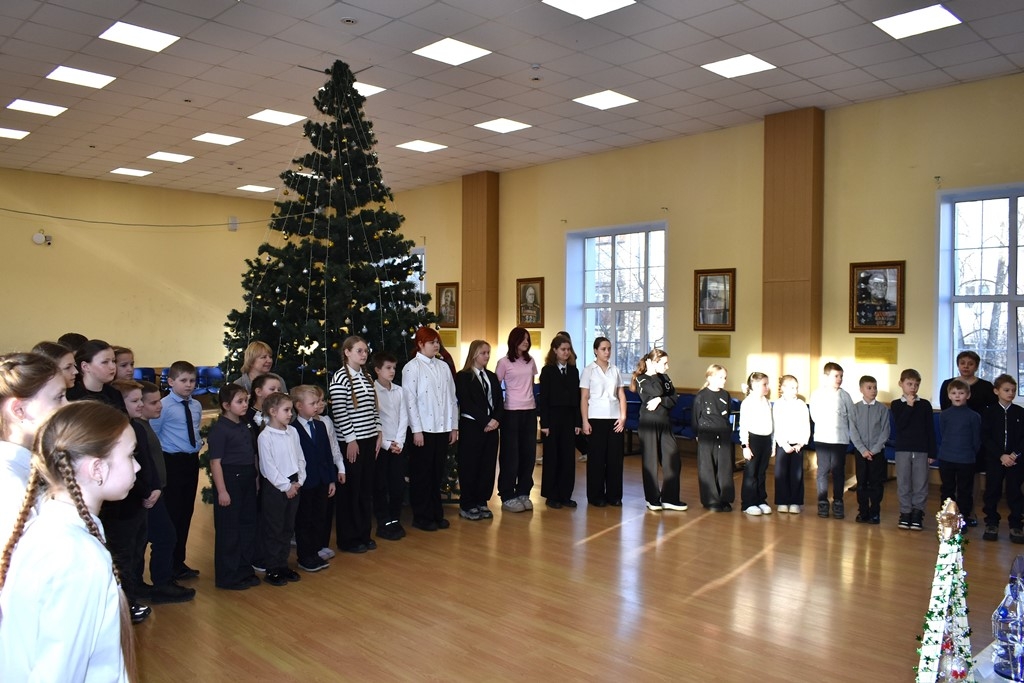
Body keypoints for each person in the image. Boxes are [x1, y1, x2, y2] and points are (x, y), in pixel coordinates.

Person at [0, 401, 138, 682]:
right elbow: (59, 672)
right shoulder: (77, 557)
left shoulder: (49, 526)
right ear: (97, 468)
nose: (137, 466)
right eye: (130, 455)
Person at [105, 379, 159, 624]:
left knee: (138, 551)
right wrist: (145, 491)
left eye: (140, 400)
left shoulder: (138, 427)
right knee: (123, 556)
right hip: (126, 503)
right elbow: (129, 471)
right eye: (134, 401)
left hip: (141, 501)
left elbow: (148, 463)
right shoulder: (119, 432)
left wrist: (154, 487)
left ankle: (135, 592)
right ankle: (126, 603)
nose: (140, 405)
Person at [136, 381, 194, 605]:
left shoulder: (145, 425)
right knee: (164, 537)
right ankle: (161, 584)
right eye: (153, 403)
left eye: (159, 400)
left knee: (157, 537)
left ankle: (153, 582)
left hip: (155, 491)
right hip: (149, 494)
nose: (159, 406)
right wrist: (150, 489)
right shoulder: (139, 428)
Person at [0, 353, 66, 542]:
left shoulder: (31, 462)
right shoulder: (9, 481)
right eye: (59, 397)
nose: (67, 405)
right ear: (19, 410)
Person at [149, 360, 203, 579]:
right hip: (171, 462)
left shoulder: (196, 406)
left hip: (191, 462)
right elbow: (154, 436)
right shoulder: (163, 406)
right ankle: (167, 565)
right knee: (173, 513)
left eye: (192, 380)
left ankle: (179, 562)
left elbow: (195, 430)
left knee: (186, 512)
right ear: (171, 382)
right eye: (183, 380)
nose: (189, 385)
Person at [329, 336, 382, 552]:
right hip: (352, 442)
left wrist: (378, 432)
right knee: (351, 491)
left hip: (369, 439)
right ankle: (348, 539)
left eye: (366, 351)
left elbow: (374, 408)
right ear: (347, 352)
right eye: (359, 350)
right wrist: (351, 439)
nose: (364, 354)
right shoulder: (340, 378)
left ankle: (363, 534)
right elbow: (340, 412)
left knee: (365, 490)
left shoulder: (367, 376)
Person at [403, 327, 458, 530]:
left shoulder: (443, 366)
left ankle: (436, 513)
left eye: (437, 342)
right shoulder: (412, 367)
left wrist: (453, 426)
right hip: (423, 430)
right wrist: (416, 430)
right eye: (431, 342)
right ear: (420, 344)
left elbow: (451, 398)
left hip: (442, 428)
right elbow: (410, 400)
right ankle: (422, 516)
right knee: (422, 474)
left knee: (437, 472)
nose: (436, 345)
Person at [207, 384, 261, 589]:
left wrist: (255, 479)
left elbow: (252, 454)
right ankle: (228, 575)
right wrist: (222, 491)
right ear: (226, 405)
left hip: (247, 477)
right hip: (230, 480)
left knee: (247, 525)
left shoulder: (244, 424)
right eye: (240, 401)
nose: (245, 404)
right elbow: (215, 463)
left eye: (246, 400)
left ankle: (244, 569)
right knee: (229, 529)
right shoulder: (220, 430)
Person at [939, 350, 996, 526]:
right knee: (948, 487)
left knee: (968, 484)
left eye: (970, 363)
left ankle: (967, 514)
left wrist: (973, 447)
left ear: (976, 366)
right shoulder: (948, 385)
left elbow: (991, 412)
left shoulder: (985, 387)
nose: (966, 366)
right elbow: (943, 427)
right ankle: (949, 518)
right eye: (962, 363)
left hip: (972, 442)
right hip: (951, 446)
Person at [289, 385, 338, 571]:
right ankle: (304, 556)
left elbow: (327, 454)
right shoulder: (292, 429)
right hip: (305, 483)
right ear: (299, 406)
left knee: (319, 517)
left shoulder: (320, 425)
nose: (317, 406)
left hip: (322, 480)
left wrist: (331, 479)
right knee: (304, 519)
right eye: (313, 403)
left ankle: (315, 552)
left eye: (318, 402)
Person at [258, 391, 304, 586]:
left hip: (294, 483)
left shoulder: (292, 432)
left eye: (291, 410)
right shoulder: (265, 436)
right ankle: (273, 568)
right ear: (273, 411)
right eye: (286, 410)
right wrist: (286, 486)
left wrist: (300, 480)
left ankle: (283, 564)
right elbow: (268, 468)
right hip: (276, 487)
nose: (290, 414)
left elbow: (300, 457)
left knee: (287, 527)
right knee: (274, 528)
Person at [632, 349, 686, 512]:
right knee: (651, 462)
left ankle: (670, 498)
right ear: (652, 363)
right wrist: (661, 396)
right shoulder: (642, 379)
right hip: (649, 424)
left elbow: (674, 398)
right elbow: (656, 391)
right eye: (664, 363)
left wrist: (660, 400)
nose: (667, 367)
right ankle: (652, 499)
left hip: (665, 423)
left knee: (673, 460)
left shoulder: (665, 377)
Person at [455, 340, 502, 521]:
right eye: (483, 353)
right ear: (474, 354)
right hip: (472, 426)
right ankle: (467, 503)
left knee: (487, 466)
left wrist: (496, 420)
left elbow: (499, 401)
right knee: (470, 465)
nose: (487, 356)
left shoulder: (491, 376)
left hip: (492, 427)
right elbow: (466, 402)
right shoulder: (463, 376)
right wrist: (486, 420)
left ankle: (482, 500)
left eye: (488, 353)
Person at [495, 327, 538, 513]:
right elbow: (496, 388)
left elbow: (532, 385)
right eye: (523, 339)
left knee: (528, 454)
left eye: (528, 339)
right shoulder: (504, 362)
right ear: (514, 340)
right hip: (511, 412)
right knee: (510, 455)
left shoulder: (531, 361)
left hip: (530, 411)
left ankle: (523, 492)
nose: (526, 342)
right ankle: (507, 494)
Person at [580, 337, 626, 507]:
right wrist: (585, 421)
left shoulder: (615, 370)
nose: (607, 352)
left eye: (609, 349)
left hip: (614, 418)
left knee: (615, 459)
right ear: (595, 350)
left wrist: (623, 417)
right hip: (595, 418)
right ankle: (596, 495)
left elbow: (621, 395)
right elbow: (584, 398)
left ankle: (614, 495)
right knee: (597, 459)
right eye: (603, 349)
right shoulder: (588, 371)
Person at [538, 334, 582, 509]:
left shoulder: (573, 371)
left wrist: (578, 422)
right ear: (555, 350)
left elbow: (577, 398)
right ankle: (552, 495)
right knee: (552, 457)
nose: (566, 352)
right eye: (563, 349)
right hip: (553, 418)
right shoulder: (547, 371)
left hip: (569, 418)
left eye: (568, 349)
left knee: (567, 458)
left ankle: (565, 494)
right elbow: (544, 399)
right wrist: (544, 424)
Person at [890, 368, 936, 531]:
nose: (913, 388)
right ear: (901, 384)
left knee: (920, 483)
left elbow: (930, 430)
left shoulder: (925, 405)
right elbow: (900, 425)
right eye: (909, 384)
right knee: (903, 482)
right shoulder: (897, 404)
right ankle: (905, 512)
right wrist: (909, 406)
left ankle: (917, 513)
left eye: (916, 385)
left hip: (922, 450)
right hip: (903, 449)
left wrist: (932, 452)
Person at [809, 362, 855, 520]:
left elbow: (852, 417)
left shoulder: (845, 396)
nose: (839, 379)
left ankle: (838, 501)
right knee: (822, 471)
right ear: (826, 377)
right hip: (823, 438)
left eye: (841, 376)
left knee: (838, 471)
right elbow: (814, 415)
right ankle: (822, 502)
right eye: (836, 376)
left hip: (840, 440)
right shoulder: (817, 394)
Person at [981, 374, 1024, 543]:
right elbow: (985, 437)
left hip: (1015, 460)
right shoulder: (989, 412)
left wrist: (1014, 455)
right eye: (1007, 390)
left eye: (1013, 390)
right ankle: (991, 522)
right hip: (995, 459)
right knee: (992, 491)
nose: (1011, 393)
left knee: (1015, 492)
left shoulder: (1020, 412)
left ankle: (1016, 524)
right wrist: (1001, 455)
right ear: (996, 391)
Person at [937, 379, 981, 530]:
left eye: (961, 393)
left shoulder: (974, 416)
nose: (957, 396)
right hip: (946, 458)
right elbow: (943, 433)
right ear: (949, 395)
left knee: (964, 491)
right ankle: (948, 519)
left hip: (966, 459)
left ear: (968, 395)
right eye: (954, 393)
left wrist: (969, 453)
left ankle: (962, 519)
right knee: (947, 489)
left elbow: (976, 440)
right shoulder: (944, 415)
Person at [848, 375, 890, 524]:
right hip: (861, 453)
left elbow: (885, 431)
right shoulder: (855, 409)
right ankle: (863, 511)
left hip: (876, 453)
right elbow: (853, 431)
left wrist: (875, 450)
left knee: (876, 483)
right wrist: (863, 450)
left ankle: (875, 512)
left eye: (875, 387)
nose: (873, 390)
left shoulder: (882, 409)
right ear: (861, 389)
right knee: (862, 483)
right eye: (869, 387)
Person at [373, 352, 407, 536]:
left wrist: (399, 442)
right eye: (388, 367)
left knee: (397, 485)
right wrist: (386, 443)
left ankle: (395, 519)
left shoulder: (399, 391)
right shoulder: (372, 390)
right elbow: (374, 420)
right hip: (381, 446)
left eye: (394, 367)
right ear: (377, 370)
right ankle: (383, 522)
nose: (392, 371)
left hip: (397, 445)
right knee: (380, 485)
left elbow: (404, 417)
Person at [693, 364, 734, 511]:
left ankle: (725, 498)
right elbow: (695, 417)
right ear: (710, 378)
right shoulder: (701, 396)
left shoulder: (725, 395)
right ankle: (711, 500)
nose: (724, 380)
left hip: (723, 435)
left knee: (724, 467)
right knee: (707, 467)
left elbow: (727, 414)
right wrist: (697, 434)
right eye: (720, 377)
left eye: (725, 378)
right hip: (706, 435)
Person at [773, 375, 809, 514]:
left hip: (797, 445)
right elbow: (776, 426)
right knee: (781, 474)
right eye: (792, 388)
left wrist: (801, 442)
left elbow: (805, 425)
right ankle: (782, 501)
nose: (795, 390)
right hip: (783, 444)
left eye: (796, 388)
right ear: (783, 388)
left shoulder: (801, 405)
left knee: (796, 474)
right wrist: (783, 444)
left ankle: (795, 501)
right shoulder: (778, 404)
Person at [739, 372, 773, 517]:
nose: (767, 387)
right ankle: (748, 503)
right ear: (755, 385)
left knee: (761, 472)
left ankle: (760, 499)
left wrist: (772, 443)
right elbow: (744, 426)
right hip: (753, 440)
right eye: (765, 384)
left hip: (765, 440)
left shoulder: (766, 402)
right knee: (751, 473)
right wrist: (745, 446)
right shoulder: (747, 403)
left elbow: (771, 423)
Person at [67, 339, 126, 410]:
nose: (112, 366)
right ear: (85, 366)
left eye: (113, 361)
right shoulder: (71, 397)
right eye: (105, 362)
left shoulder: (114, 394)